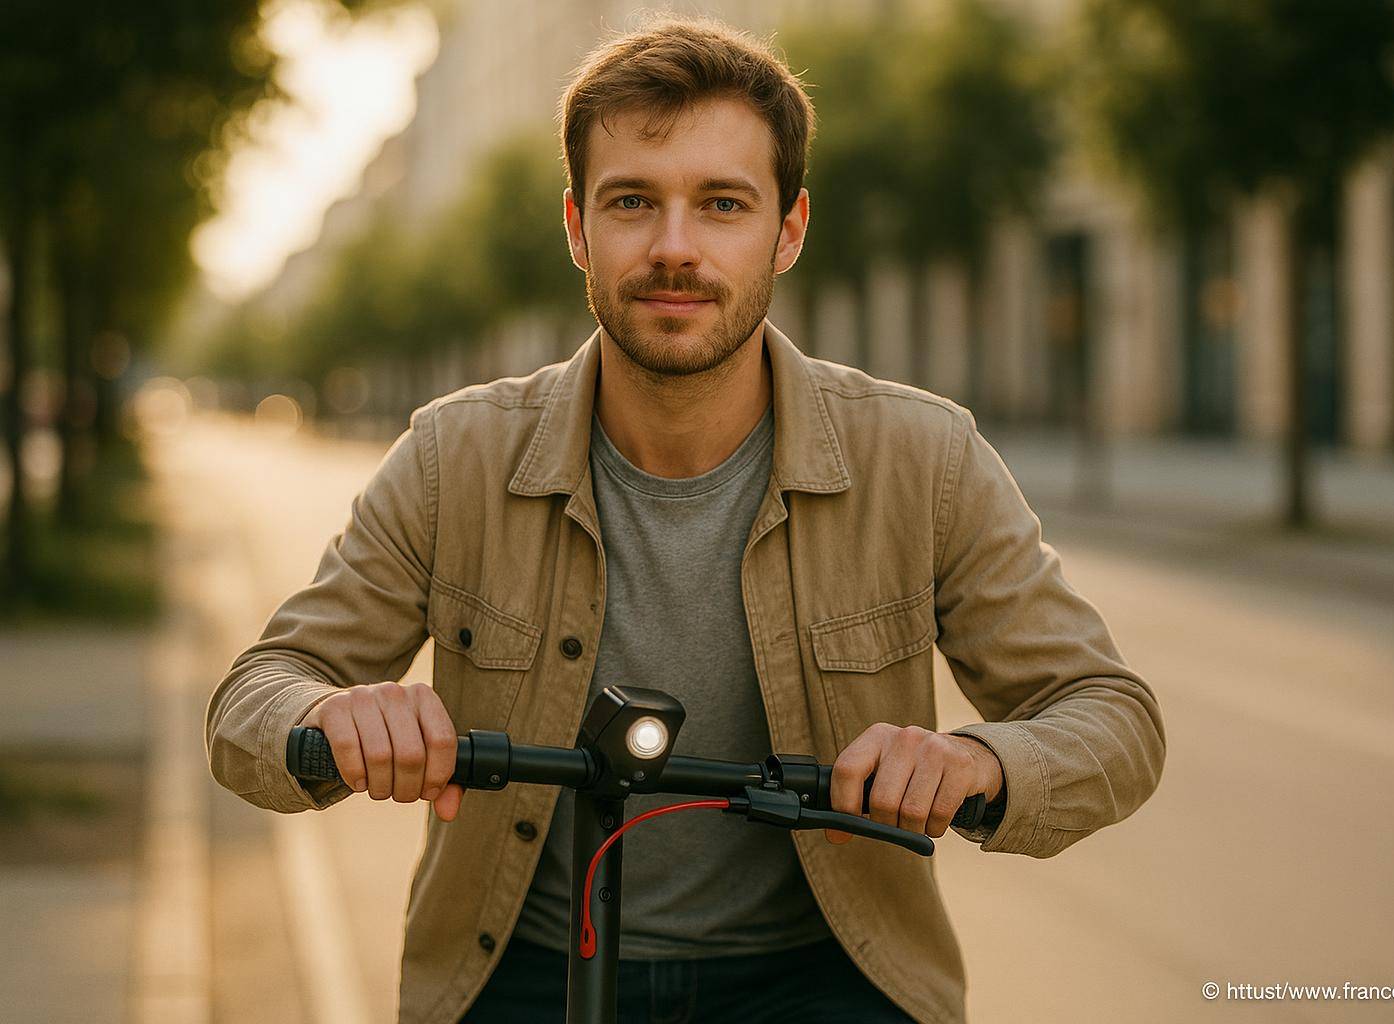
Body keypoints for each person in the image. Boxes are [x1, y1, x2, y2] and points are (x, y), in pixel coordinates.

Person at [204, 13, 1166, 1024]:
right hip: (523, 970)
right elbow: (250, 701)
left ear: (788, 229)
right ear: (577, 227)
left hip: (827, 977)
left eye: (721, 204)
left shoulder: (922, 458)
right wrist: (328, 717)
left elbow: (1111, 714)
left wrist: (981, 761)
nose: (675, 248)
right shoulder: (456, 457)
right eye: (632, 202)